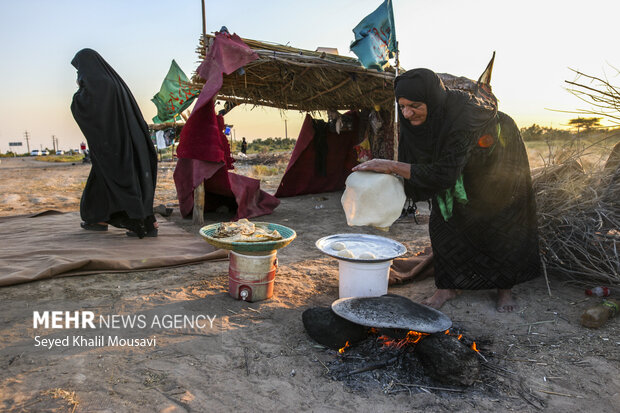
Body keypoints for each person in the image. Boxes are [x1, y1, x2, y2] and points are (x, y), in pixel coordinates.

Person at [353, 68, 540, 312]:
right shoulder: (415, 120)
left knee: (498, 220)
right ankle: (447, 286)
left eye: (415, 106)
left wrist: (390, 165)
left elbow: (443, 173)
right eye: (403, 106)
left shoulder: (464, 117)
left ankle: (504, 289)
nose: (407, 113)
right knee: (444, 221)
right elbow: (423, 166)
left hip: (495, 159)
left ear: (432, 100)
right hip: (456, 164)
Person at [71, 48, 158, 238]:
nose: (79, 75)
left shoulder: (99, 84)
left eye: (79, 71)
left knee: (124, 182)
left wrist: (78, 93)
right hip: (131, 143)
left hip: (116, 148)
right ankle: (98, 219)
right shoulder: (114, 82)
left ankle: (141, 223)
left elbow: (84, 107)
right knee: (103, 181)